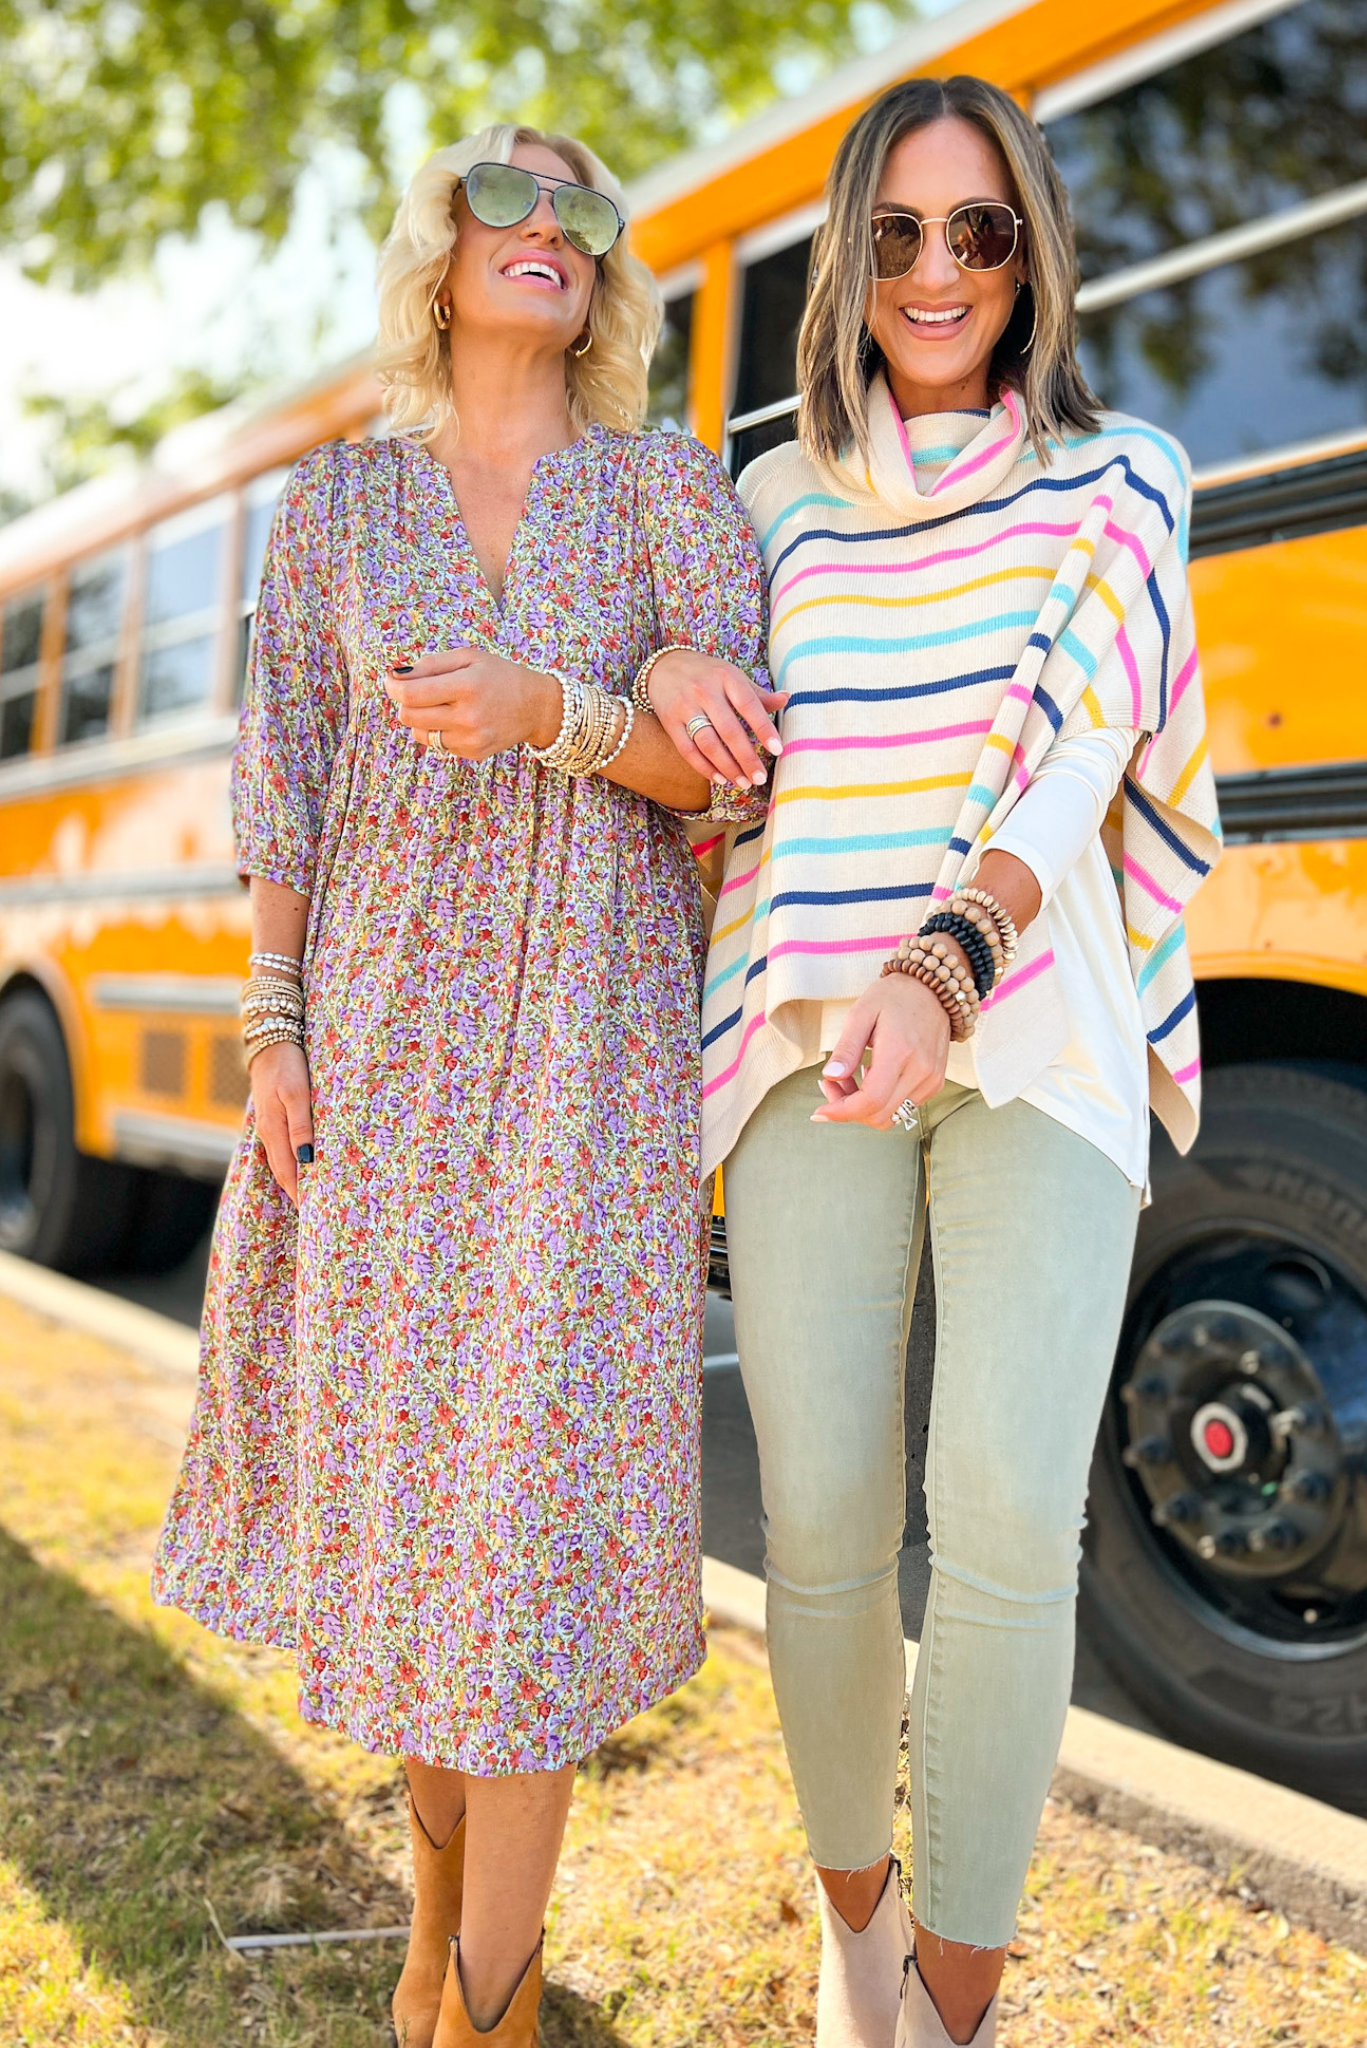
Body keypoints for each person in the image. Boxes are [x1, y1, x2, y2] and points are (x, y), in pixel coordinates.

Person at [152, 123, 779, 2048]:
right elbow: (288, 783)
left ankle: (485, 2016)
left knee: (520, 1530)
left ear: (606, 273)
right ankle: (431, 1933)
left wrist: (572, 712)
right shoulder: (337, 508)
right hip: (383, 1069)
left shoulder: (671, 490)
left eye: (584, 211)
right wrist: (272, 1024)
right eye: (506, 199)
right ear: (439, 251)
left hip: (587, 1079)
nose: (550, 230)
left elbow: (732, 769)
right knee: (422, 1525)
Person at [700, 75, 1221, 2048]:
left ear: (1031, 258)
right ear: (851, 254)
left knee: (1005, 1518)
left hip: (1037, 1027)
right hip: (799, 1039)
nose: (936, 271)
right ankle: (856, 1937)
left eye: (978, 231)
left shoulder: (1120, 477)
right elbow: (715, 761)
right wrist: (663, 686)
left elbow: (1079, 751)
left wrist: (950, 953)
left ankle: (949, 2015)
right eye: (899, 232)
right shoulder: (769, 502)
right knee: (820, 1520)